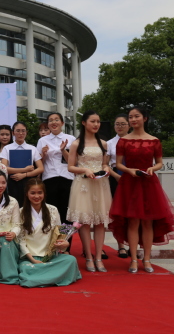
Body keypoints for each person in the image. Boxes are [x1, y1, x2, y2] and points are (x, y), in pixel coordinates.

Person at [108, 106, 174, 274]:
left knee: (148, 222)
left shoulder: (154, 141)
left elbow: (160, 163)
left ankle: (147, 259)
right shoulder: (123, 141)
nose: (133, 119)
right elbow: (118, 164)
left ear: (144, 118)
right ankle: (133, 259)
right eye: (131, 117)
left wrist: (152, 168)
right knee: (133, 221)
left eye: (136, 116)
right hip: (130, 183)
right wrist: (129, 170)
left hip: (148, 183)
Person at [67, 111, 112, 272]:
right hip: (83, 184)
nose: (96, 124)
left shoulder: (103, 144)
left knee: (100, 222)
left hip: (100, 184)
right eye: (93, 121)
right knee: (85, 222)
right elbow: (70, 167)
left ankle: (98, 257)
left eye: (98, 121)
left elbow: (105, 163)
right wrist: (84, 170)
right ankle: (88, 257)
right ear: (84, 123)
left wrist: (106, 169)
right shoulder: (76, 144)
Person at [17, 178, 81, 288]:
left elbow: (59, 233)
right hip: (29, 258)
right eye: (33, 193)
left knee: (71, 260)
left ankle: (39, 277)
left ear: (44, 193)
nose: (36, 196)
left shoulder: (53, 209)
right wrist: (33, 260)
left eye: (39, 193)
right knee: (26, 268)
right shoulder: (20, 212)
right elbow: (21, 240)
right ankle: (52, 276)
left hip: (50, 256)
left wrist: (64, 244)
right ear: (27, 194)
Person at [36, 113, 76, 226]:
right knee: (51, 210)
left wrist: (63, 150)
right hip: (49, 178)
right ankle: (53, 236)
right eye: (51, 120)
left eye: (56, 120)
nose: (54, 122)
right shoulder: (42, 141)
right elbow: (39, 164)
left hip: (67, 177)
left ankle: (66, 236)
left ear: (62, 123)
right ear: (48, 124)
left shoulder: (71, 139)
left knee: (67, 211)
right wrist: (43, 154)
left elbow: (73, 162)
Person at [0, 122, 44, 206]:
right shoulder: (7, 148)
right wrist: (24, 170)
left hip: (28, 181)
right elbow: (3, 168)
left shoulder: (32, 148)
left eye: (23, 131)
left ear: (26, 132)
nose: (21, 133)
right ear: (13, 133)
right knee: (13, 205)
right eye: (18, 131)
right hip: (12, 182)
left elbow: (40, 168)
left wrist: (24, 175)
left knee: (28, 206)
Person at [107, 114, 130, 258]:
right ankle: (121, 245)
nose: (120, 127)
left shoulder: (135, 140)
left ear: (129, 125)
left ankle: (134, 245)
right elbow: (105, 164)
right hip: (116, 177)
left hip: (133, 176)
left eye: (123, 124)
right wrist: (116, 176)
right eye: (117, 124)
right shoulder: (109, 143)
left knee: (134, 212)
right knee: (119, 212)